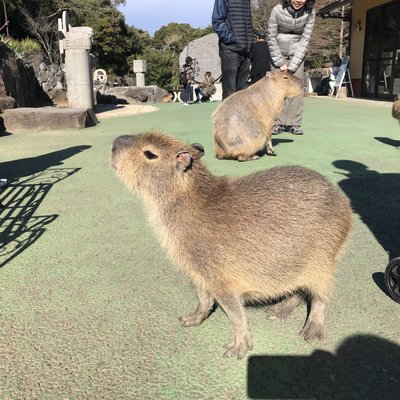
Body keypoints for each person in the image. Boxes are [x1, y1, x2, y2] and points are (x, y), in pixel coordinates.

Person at [267, 0, 316, 135]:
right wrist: (279, 62)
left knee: (297, 88)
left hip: (297, 55)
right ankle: (277, 123)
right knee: (277, 90)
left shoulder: (310, 12)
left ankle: (294, 123)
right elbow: (271, 37)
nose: (298, 1)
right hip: (277, 54)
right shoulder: (277, 10)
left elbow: (305, 39)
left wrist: (293, 65)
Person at [212, 0, 253, 100]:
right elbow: (217, 21)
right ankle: (226, 116)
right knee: (229, 93)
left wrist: (249, 42)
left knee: (243, 93)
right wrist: (232, 39)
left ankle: (242, 116)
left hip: (245, 50)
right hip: (231, 50)